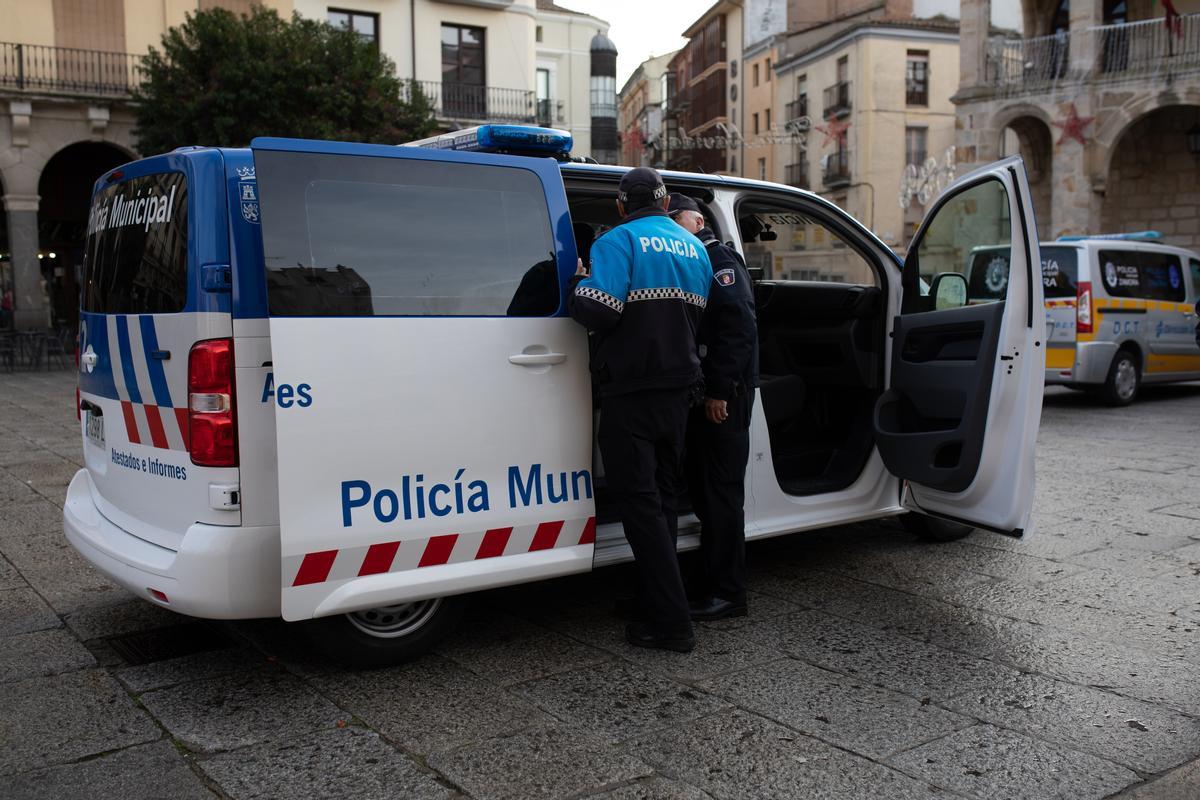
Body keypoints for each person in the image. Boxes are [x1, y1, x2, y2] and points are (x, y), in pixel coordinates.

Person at [568, 168, 712, 653]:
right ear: (666, 200)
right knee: (664, 500)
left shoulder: (617, 242)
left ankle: (671, 624)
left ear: (621, 206)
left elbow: (601, 310)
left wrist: (577, 285)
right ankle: (654, 602)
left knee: (640, 505)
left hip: (633, 390)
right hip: (680, 390)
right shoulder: (695, 248)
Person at [667, 193, 759, 622]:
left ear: (696, 221)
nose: (668, 229)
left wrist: (719, 390)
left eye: (674, 220)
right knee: (704, 493)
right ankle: (707, 584)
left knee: (720, 498)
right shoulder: (689, 259)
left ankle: (728, 593)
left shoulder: (718, 259)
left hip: (725, 397)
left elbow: (737, 326)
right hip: (704, 394)